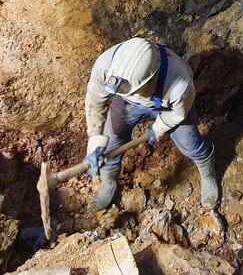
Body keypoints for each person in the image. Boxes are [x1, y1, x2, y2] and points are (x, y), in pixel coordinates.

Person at [83, 37, 219, 210]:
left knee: (190, 143)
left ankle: (208, 174)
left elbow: (178, 114)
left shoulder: (180, 84)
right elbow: (95, 103)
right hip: (129, 103)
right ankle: (108, 182)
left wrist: (157, 128)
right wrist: (95, 139)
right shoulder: (106, 66)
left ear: (149, 80)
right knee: (110, 140)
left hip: (167, 106)